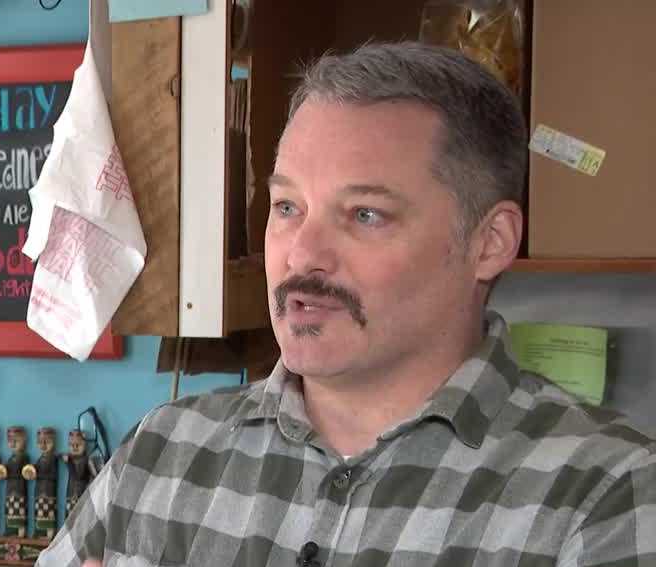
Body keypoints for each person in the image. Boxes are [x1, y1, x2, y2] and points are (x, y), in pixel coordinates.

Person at [38, 42, 656, 566]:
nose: (302, 254)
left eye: (365, 214)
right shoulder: (161, 455)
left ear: (489, 243)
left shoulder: (606, 491)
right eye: (287, 207)